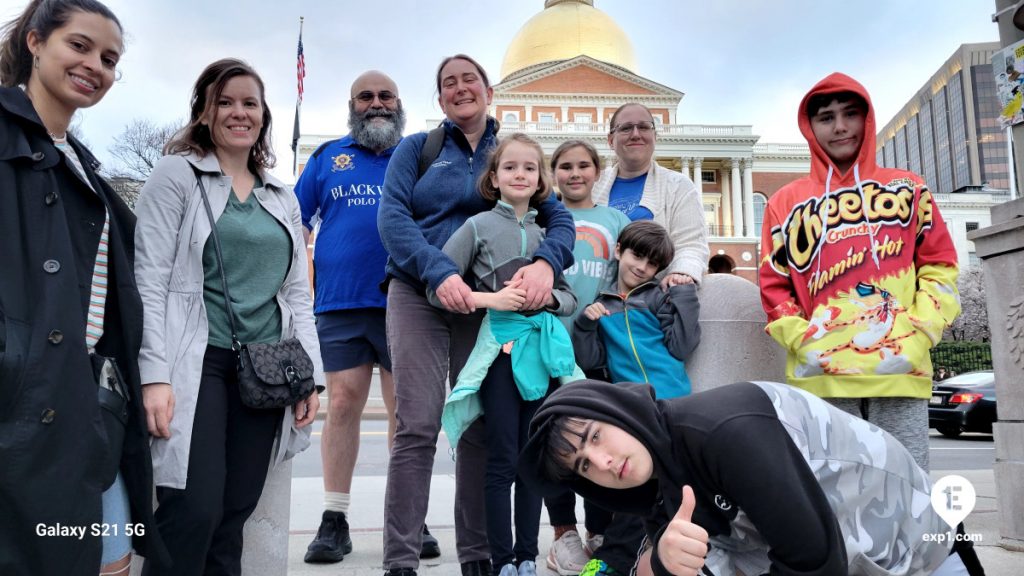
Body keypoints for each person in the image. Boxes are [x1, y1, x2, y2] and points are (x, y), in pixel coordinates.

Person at [377, 54, 576, 576]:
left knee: (479, 427)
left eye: (470, 79)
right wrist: (438, 269)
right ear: (440, 96)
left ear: (489, 91)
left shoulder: (512, 154)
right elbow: (392, 218)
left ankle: (478, 554)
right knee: (418, 424)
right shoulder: (418, 149)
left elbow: (559, 221)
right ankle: (400, 559)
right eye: (449, 82)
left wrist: (545, 264)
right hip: (420, 291)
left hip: (487, 306)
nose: (460, 88)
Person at [134, 58, 322, 576]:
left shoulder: (281, 196)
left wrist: (310, 377)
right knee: (192, 509)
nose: (239, 112)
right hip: (195, 362)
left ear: (263, 116)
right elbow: (149, 278)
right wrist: (153, 375)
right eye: (225, 102)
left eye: (250, 103)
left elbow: (297, 295)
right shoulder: (178, 174)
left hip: (264, 369)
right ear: (204, 111)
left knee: (235, 512)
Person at [0, 1, 167, 574]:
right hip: (24, 404)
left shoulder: (83, 165)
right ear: (35, 41)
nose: (95, 65)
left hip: (90, 401)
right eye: (79, 45)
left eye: (110, 59)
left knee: (113, 556)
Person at [519, 379, 983, 576]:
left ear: (617, 411)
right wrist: (662, 560)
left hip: (918, 545)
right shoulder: (656, 471)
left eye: (595, 436)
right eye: (583, 465)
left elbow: (812, 560)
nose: (602, 463)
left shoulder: (722, 430)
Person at [758, 73, 960, 471]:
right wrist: (806, 341)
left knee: (907, 487)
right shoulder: (784, 202)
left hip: (900, 371)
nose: (840, 127)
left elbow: (940, 264)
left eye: (850, 114)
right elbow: (773, 285)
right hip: (822, 377)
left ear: (867, 119)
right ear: (810, 127)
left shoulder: (908, 188)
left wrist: (919, 332)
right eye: (826, 117)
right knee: (833, 491)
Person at [294, 70, 439, 563]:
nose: (376, 103)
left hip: (408, 301)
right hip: (340, 302)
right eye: (365, 97)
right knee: (341, 404)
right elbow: (294, 224)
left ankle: (410, 518)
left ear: (399, 103)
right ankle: (334, 519)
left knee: (407, 415)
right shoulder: (326, 157)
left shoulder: (420, 157)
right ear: (351, 104)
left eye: (385, 96)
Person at [432, 133, 581, 576]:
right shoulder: (477, 226)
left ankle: (528, 556)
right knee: (501, 459)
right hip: (497, 356)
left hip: (540, 359)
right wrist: (491, 300)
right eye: (510, 167)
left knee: (532, 459)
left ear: (540, 180)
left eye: (529, 168)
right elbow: (438, 288)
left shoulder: (546, 235)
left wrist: (547, 297)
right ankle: (502, 560)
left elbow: (568, 298)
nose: (520, 174)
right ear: (494, 178)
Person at [571, 220, 700, 576]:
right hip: (632, 408)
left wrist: (684, 293)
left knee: (664, 483)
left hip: (674, 402)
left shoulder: (658, 297)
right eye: (636, 256)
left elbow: (682, 345)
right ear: (619, 251)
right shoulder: (602, 305)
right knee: (641, 483)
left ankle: (615, 560)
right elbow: (591, 360)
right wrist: (585, 325)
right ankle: (618, 558)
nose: (642, 267)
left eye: (652, 263)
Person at [543, 139, 623, 575]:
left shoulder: (615, 221)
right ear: (553, 172)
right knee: (553, 445)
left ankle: (599, 530)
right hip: (548, 350)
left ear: (597, 171)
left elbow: (633, 274)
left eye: (583, 166)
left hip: (598, 352)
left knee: (600, 441)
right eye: (566, 167)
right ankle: (563, 533)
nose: (575, 174)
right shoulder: (545, 218)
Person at [591, 103, 709, 289]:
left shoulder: (679, 186)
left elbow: (691, 245)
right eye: (626, 128)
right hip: (592, 297)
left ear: (655, 136)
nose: (635, 134)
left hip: (651, 299)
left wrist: (681, 272)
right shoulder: (593, 185)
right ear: (610, 140)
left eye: (644, 127)